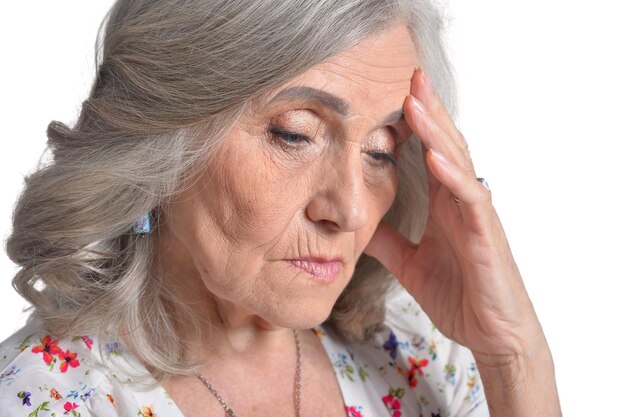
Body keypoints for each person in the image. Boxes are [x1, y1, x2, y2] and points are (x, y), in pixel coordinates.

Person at [0, 0, 562, 416]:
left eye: (381, 149)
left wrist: (514, 357)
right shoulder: (47, 398)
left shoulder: (418, 355)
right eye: (295, 134)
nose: (350, 209)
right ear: (161, 140)